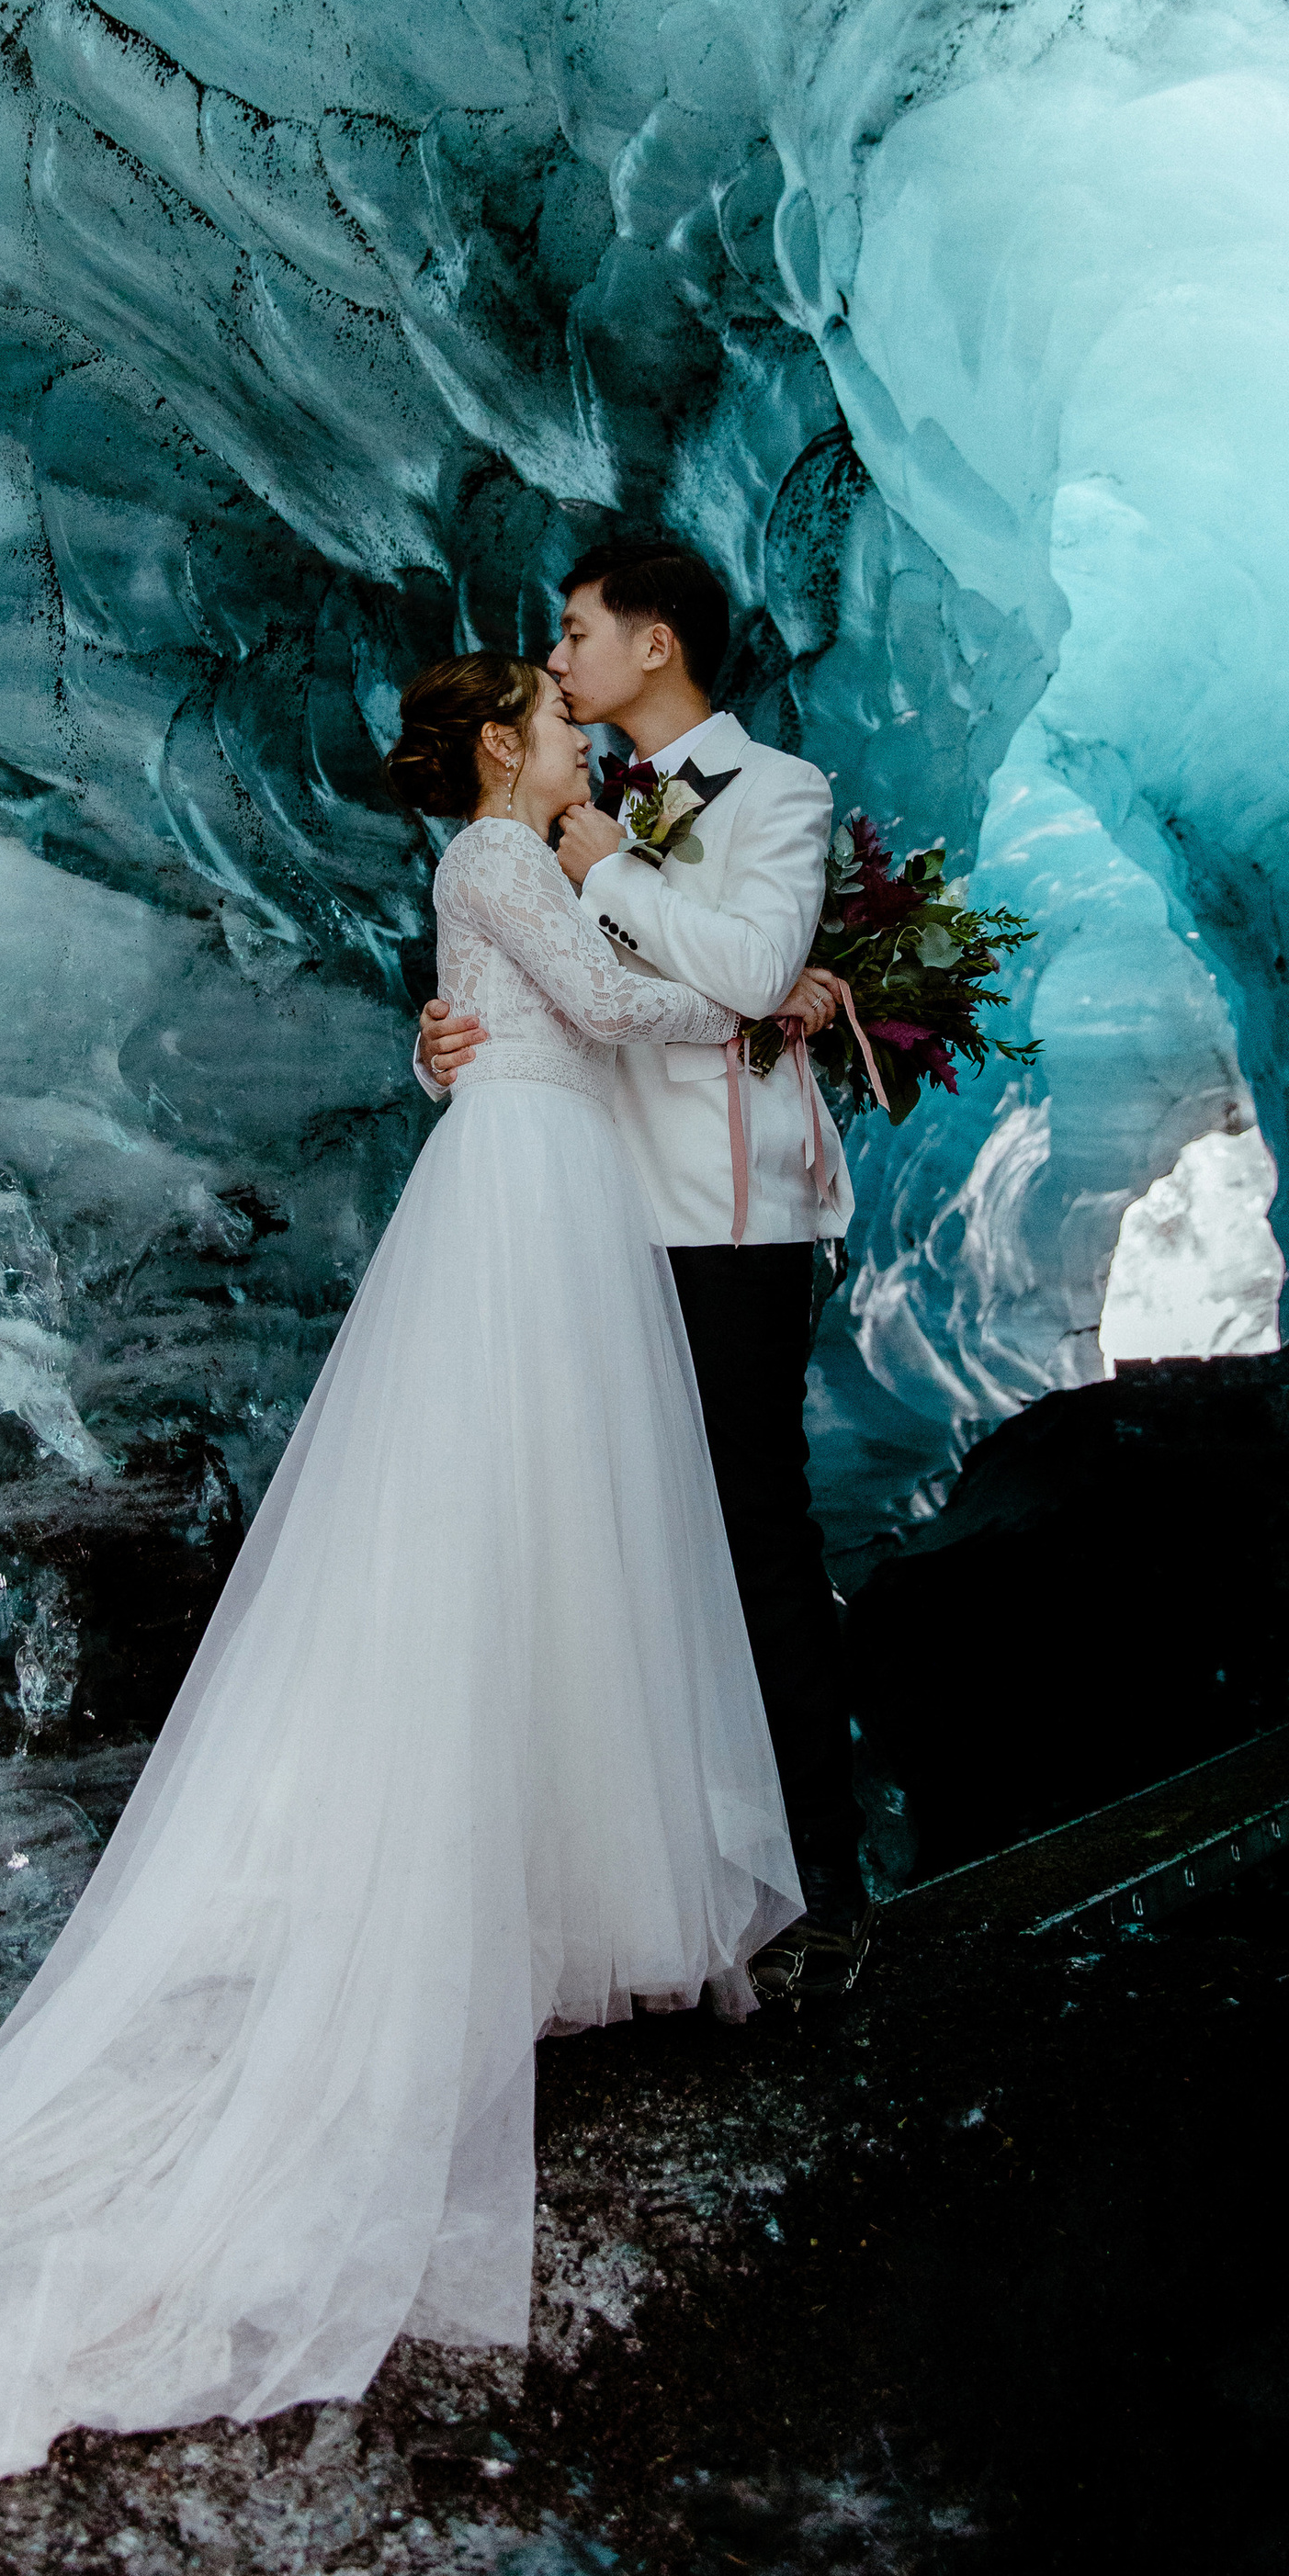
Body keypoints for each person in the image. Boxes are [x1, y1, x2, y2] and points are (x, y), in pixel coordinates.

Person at [0, 656, 800, 2514]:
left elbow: (514, 1018)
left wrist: (525, 1002)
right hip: (525, 1192)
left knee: (558, 1542)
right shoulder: (507, 855)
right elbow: (596, 1001)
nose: (582, 733)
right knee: (517, 1530)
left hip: (537, 1174)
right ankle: (497, 1911)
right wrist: (754, 982)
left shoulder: (511, 864)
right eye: (555, 717)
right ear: (507, 741)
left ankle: (557, 1906)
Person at [416, 543, 869, 1971]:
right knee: (615, 1555)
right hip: (593, 1221)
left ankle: (823, 1881)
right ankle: (667, 1890)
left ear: (655, 642)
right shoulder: (571, 808)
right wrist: (444, 1050)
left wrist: (611, 869)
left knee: (756, 1537)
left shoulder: (776, 792)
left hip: (726, 1221)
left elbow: (753, 971)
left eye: (576, 633)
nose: (559, 662)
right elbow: (540, 993)